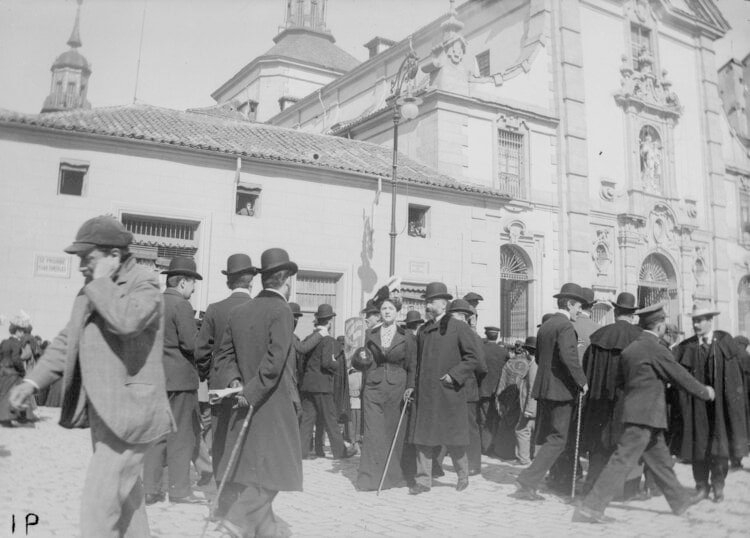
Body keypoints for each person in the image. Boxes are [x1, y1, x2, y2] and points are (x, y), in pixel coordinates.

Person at [8, 215, 173, 537]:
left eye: (88, 258)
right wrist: (31, 381)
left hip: (131, 411)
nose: (82, 265)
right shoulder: (91, 290)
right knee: (126, 502)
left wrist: (99, 283)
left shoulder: (146, 283)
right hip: (105, 412)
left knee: (99, 503)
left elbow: (127, 321)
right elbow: (68, 339)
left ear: (114, 255)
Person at [573, 303, 714, 523]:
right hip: (646, 416)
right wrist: (705, 392)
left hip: (639, 414)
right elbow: (680, 376)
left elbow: (620, 382)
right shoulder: (656, 348)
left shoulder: (631, 349)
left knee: (660, 461)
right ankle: (591, 507)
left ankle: (680, 501)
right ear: (659, 326)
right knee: (621, 461)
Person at [211, 248, 302, 538]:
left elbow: (223, 357)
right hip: (271, 403)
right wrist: (250, 392)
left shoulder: (239, 311)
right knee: (273, 474)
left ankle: (265, 532)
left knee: (255, 469)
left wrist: (237, 382)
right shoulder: (282, 310)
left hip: (243, 402)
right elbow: (275, 362)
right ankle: (235, 521)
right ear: (286, 281)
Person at [511, 283, 588, 501]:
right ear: (570, 304)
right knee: (559, 439)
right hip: (561, 391)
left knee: (548, 438)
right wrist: (582, 381)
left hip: (544, 390)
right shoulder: (565, 327)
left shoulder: (545, 326)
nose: (579, 311)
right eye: (578, 306)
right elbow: (569, 357)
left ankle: (539, 482)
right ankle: (528, 480)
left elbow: (539, 358)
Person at [195, 253, 256, 518]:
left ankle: (222, 502)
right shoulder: (260, 308)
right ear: (251, 281)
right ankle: (243, 502)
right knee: (245, 442)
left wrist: (210, 375)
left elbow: (200, 352)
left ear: (229, 281)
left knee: (219, 440)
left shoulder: (215, 309)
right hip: (252, 387)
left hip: (220, 386)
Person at [407, 282, 482, 494]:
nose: (427, 305)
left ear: (442, 303)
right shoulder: (423, 330)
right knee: (423, 437)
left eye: (431, 302)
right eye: (426, 302)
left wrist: (454, 375)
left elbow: (472, 358)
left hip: (449, 392)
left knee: (454, 437)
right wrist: (412, 386)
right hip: (425, 394)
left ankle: (463, 474)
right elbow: (415, 362)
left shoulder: (459, 327)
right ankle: (423, 481)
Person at [672, 305, 749, 502]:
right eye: (694, 321)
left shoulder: (725, 342)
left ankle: (718, 485)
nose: (696, 325)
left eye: (700, 320)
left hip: (720, 407)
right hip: (696, 406)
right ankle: (701, 486)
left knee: (720, 446)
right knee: (698, 445)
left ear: (710, 321)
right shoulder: (686, 347)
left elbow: (741, 372)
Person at [143, 257, 203, 505]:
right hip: (180, 381)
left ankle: (150, 489)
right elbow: (190, 344)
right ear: (183, 283)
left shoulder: (153, 302)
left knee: (155, 435)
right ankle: (179, 490)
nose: (194, 289)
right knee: (181, 436)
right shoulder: (182, 306)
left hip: (155, 379)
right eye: (192, 283)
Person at [579, 292, 642, 494]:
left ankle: (592, 487)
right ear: (632, 315)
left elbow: (587, 370)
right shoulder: (640, 338)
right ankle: (628, 490)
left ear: (615, 312)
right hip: (630, 403)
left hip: (602, 403)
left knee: (600, 447)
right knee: (629, 447)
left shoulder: (599, 338)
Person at [352, 295, 416, 490]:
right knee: (373, 434)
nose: (387, 311)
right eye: (383, 309)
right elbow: (367, 359)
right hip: (373, 387)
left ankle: (392, 477)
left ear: (397, 312)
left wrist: (410, 387)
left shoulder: (407, 336)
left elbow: (412, 365)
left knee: (392, 432)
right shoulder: (371, 333)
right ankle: (369, 478)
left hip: (397, 388)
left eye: (390, 308)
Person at [298, 304, 357, 460]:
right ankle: (340, 452)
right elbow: (326, 363)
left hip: (307, 385)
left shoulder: (309, 338)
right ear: (330, 321)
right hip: (323, 385)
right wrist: (336, 364)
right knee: (330, 419)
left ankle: (302, 451)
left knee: (307, 420)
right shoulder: (328, 340)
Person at [448, 299, 488, 476]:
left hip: (467, 387)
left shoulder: (473, 336)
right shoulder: (449, 333)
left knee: (470, 426)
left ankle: (473, 464)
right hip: (452, 386)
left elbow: (480, 366)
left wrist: (467, 377)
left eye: (455, 316)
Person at [496, 336, 538, 465]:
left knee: (518, 428)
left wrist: (499, 400)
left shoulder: (510, 363)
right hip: (522, 400)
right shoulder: (533, 363)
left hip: (514, 399)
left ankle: (515, 455)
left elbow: (502, 383)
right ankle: (528, 455)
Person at [479, 325, 509, 456]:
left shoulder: (481, 349)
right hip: (499, 391)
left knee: (483, 418)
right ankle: (493, 446)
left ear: (486, 334)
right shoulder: (503, 352)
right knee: (495, 419)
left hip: (483, 389)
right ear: (497, 336)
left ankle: (484, 446)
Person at [0, 317, 29, 426]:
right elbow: (16, 359)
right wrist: (22, 371)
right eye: (22, 331)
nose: (23, 333)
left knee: (3, 395)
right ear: (17, 331)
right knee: (17, 394)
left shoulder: (4, 342)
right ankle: (16, 419)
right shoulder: (16, 343)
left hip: (2, 371)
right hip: (12, 372)